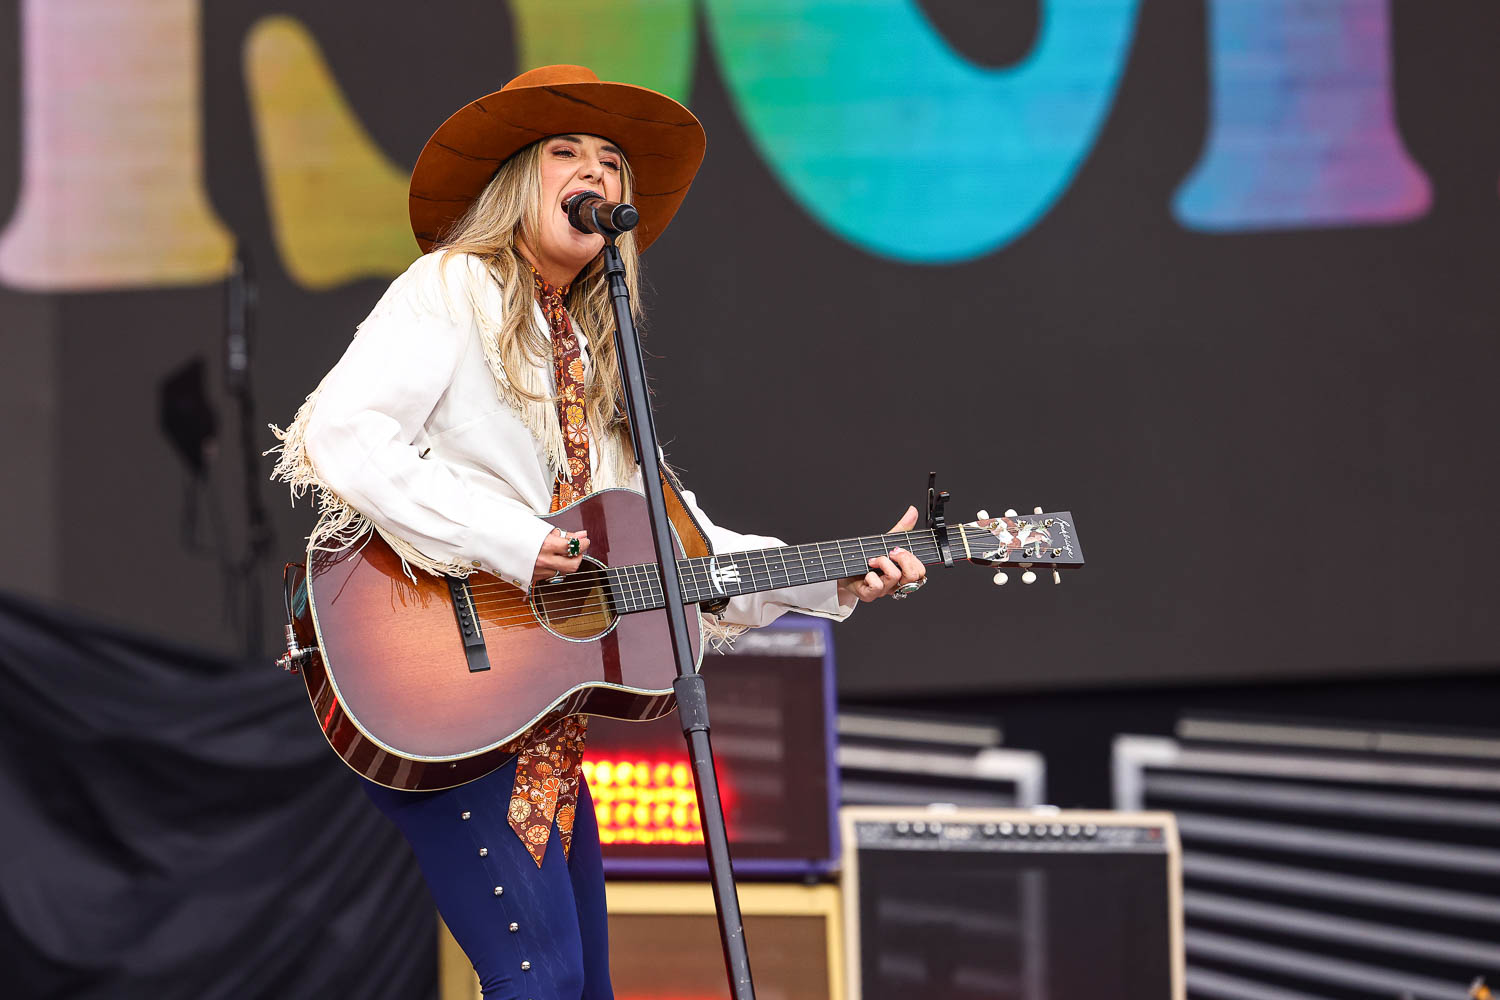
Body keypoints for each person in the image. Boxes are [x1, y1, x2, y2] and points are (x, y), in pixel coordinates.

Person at [271, 65, 926, 1000]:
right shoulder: (455, 287)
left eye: (613, 163)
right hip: (437, 688)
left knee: (583, 991)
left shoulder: (594, 352)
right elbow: (343, 432)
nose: (597, 174)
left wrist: (842, 579)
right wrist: (508, 541)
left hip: (535, 723)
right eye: (566, 153)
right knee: (540, 981)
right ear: (515, 183)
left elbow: (683, 553)